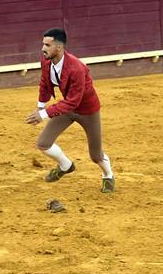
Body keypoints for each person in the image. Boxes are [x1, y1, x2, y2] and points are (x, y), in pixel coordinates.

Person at [25, 28, 114, 193]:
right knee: (43, 144)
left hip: (87, 111)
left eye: (47, 45)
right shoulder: (46, 61)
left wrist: (43, 114)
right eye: (43, 44)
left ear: (59, 47)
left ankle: (108, 175)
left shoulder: (77, 68)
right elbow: (45, 83)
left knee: (96, 156)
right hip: (67, 108)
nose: (43, 48)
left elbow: (73, 101)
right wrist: (40, 106)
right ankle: (66, 165)